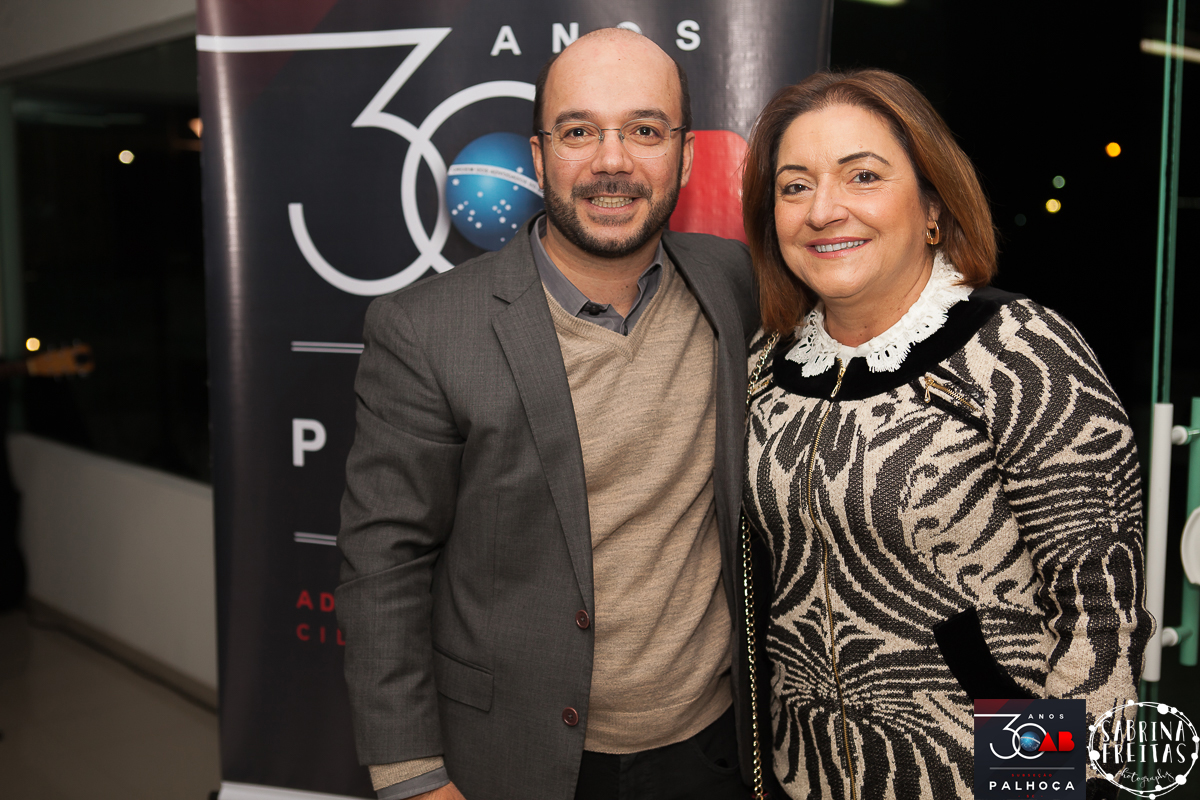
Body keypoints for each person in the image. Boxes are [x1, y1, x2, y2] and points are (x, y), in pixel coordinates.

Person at [336, 28, 761, 800]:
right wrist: (410, 777)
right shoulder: (426, 329)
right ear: (536, 158)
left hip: (713, 752)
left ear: (686, 156)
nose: (611, 161)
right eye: (578, 131)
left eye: (644, 130)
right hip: (516, 760)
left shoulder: (732, 283)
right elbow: (384, 560)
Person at [739, 69, 1153, 800]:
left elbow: (1102, 620)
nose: (824, 209)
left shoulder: (1021, 350)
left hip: (979, 777)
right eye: (794, 186)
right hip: (800, 778)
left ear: (931, 205)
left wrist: (1042, 784)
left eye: (862, 176)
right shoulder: (764, 367)